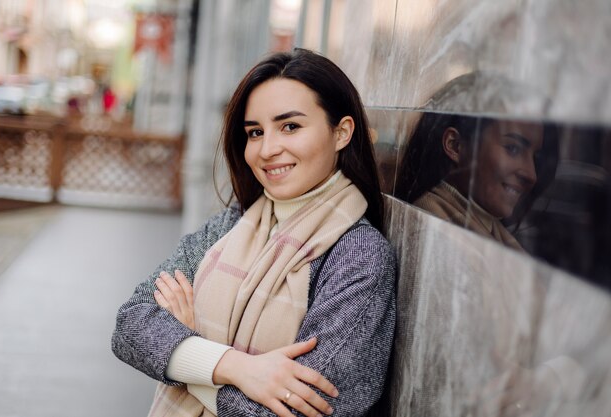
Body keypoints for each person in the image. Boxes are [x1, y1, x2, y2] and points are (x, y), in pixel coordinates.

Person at [112, 48, 396, 417]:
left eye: (290, 126)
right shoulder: (230, 225)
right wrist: (239, 368)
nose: (267, 149)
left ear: (341, 132)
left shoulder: (358, 255)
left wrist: (191, 360)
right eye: (255, 132)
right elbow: (131, 324)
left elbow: (302, 408)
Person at [395, 108, 558, 250]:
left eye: (535, 158)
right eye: (512, 148)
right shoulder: (432, 233)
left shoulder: (483, 228)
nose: (531, 175)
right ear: (455, 145)